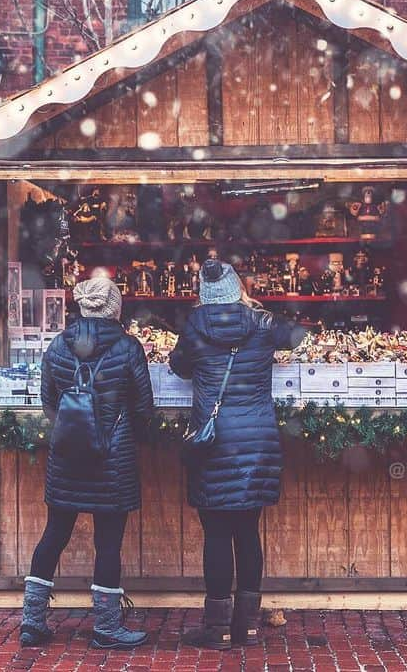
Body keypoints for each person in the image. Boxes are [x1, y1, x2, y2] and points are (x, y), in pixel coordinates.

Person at [168, 259, 306, 648]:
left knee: (216, 532)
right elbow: (298, 337)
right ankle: (246, 626)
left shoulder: (195, 326)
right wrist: (256, 312)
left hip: (214, 442)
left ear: (203, 292)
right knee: (248, 530)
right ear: (237, 287)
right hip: (257, 439)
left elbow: (178, 367)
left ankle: (218, 628)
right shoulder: (261, 323)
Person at [20, 273, 153, 650]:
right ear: (114, 306)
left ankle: (31, 622)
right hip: (113, 458)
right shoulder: (128, 348)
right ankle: (107, 627)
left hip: (67, 457)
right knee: (108, 543)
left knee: (54, 534)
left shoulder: (58, 347)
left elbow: (49, 403)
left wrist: (75, 429)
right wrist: (121, 432)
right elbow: (144, 407)